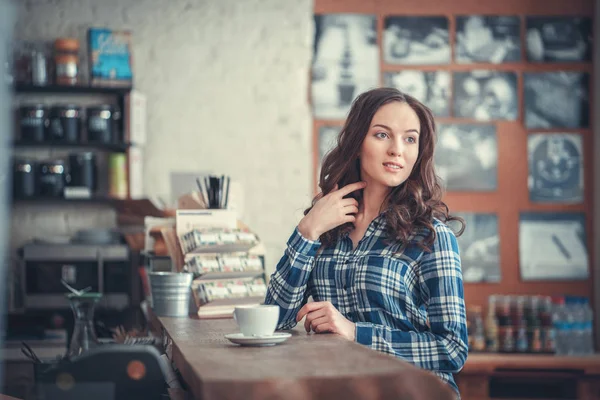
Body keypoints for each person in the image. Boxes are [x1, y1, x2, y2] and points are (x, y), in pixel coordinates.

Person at [264, 87, 468, 396]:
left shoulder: (432, 237)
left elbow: (452, 349)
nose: (397, 150)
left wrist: (355, 332)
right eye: (383, 135)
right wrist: (307, 231)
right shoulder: (328, 228)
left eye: (410, 139)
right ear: (358, 142)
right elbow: (275, 320)